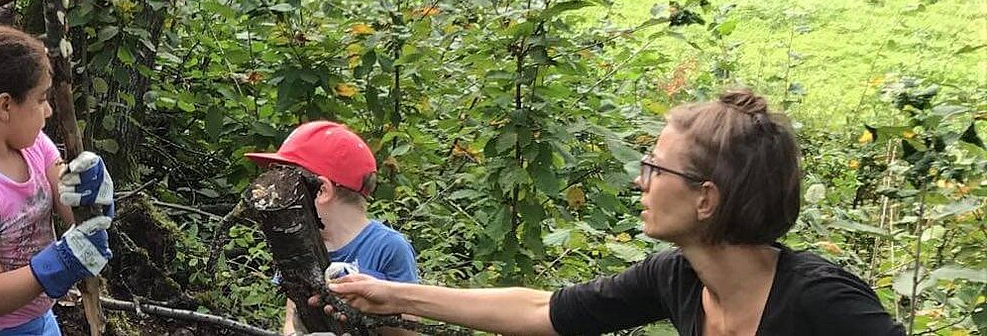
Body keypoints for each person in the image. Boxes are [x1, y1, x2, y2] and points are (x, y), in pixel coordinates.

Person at [316, 91, 906, 336]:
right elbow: (544, 309)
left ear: (706, 198)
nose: (640, 179)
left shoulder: (823, 303)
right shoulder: (678, 276)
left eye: (655, 167)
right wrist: (391, 295)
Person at [0, 26, 117, 336]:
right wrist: (61, 263)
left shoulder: (35, 145)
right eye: (41, 99)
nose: (49, 110)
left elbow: (74, 214)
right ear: (5, 106)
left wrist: (93, 195)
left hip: (39, 319)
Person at [243, 121, 419, 335]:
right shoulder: (296, 243)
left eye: (287, 182)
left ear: (321, 190)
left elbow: (410, 329)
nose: (277, 191)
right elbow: (292, 316)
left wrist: (371, 311)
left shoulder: (389, 247)